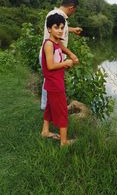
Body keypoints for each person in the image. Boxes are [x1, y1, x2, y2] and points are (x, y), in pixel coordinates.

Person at [40, 0, 82, 110]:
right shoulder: (58, 16)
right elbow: (58, 42)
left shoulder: (55, 14)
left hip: (52, 53)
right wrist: (71, 54)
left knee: (50, 81)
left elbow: (59, 28)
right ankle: (47, 107)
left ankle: (49, 107)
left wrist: (72, 30)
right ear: (71, 8)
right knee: (51, 82)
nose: (74, 12)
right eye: (75, 10)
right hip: (51, 54)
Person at [41, 13, 76, 146]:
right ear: (49, 29)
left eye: (62, 27)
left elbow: (62, 51)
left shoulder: (57, 42)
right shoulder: (49, 44)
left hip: (54, 82)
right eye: (57, 27)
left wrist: (71, 56)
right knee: (62, 111)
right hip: (55, 84)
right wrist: (65, 64)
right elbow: (50, 66)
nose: (60, 30)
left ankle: (45, 131)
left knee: (50, 107)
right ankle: (64, 142)